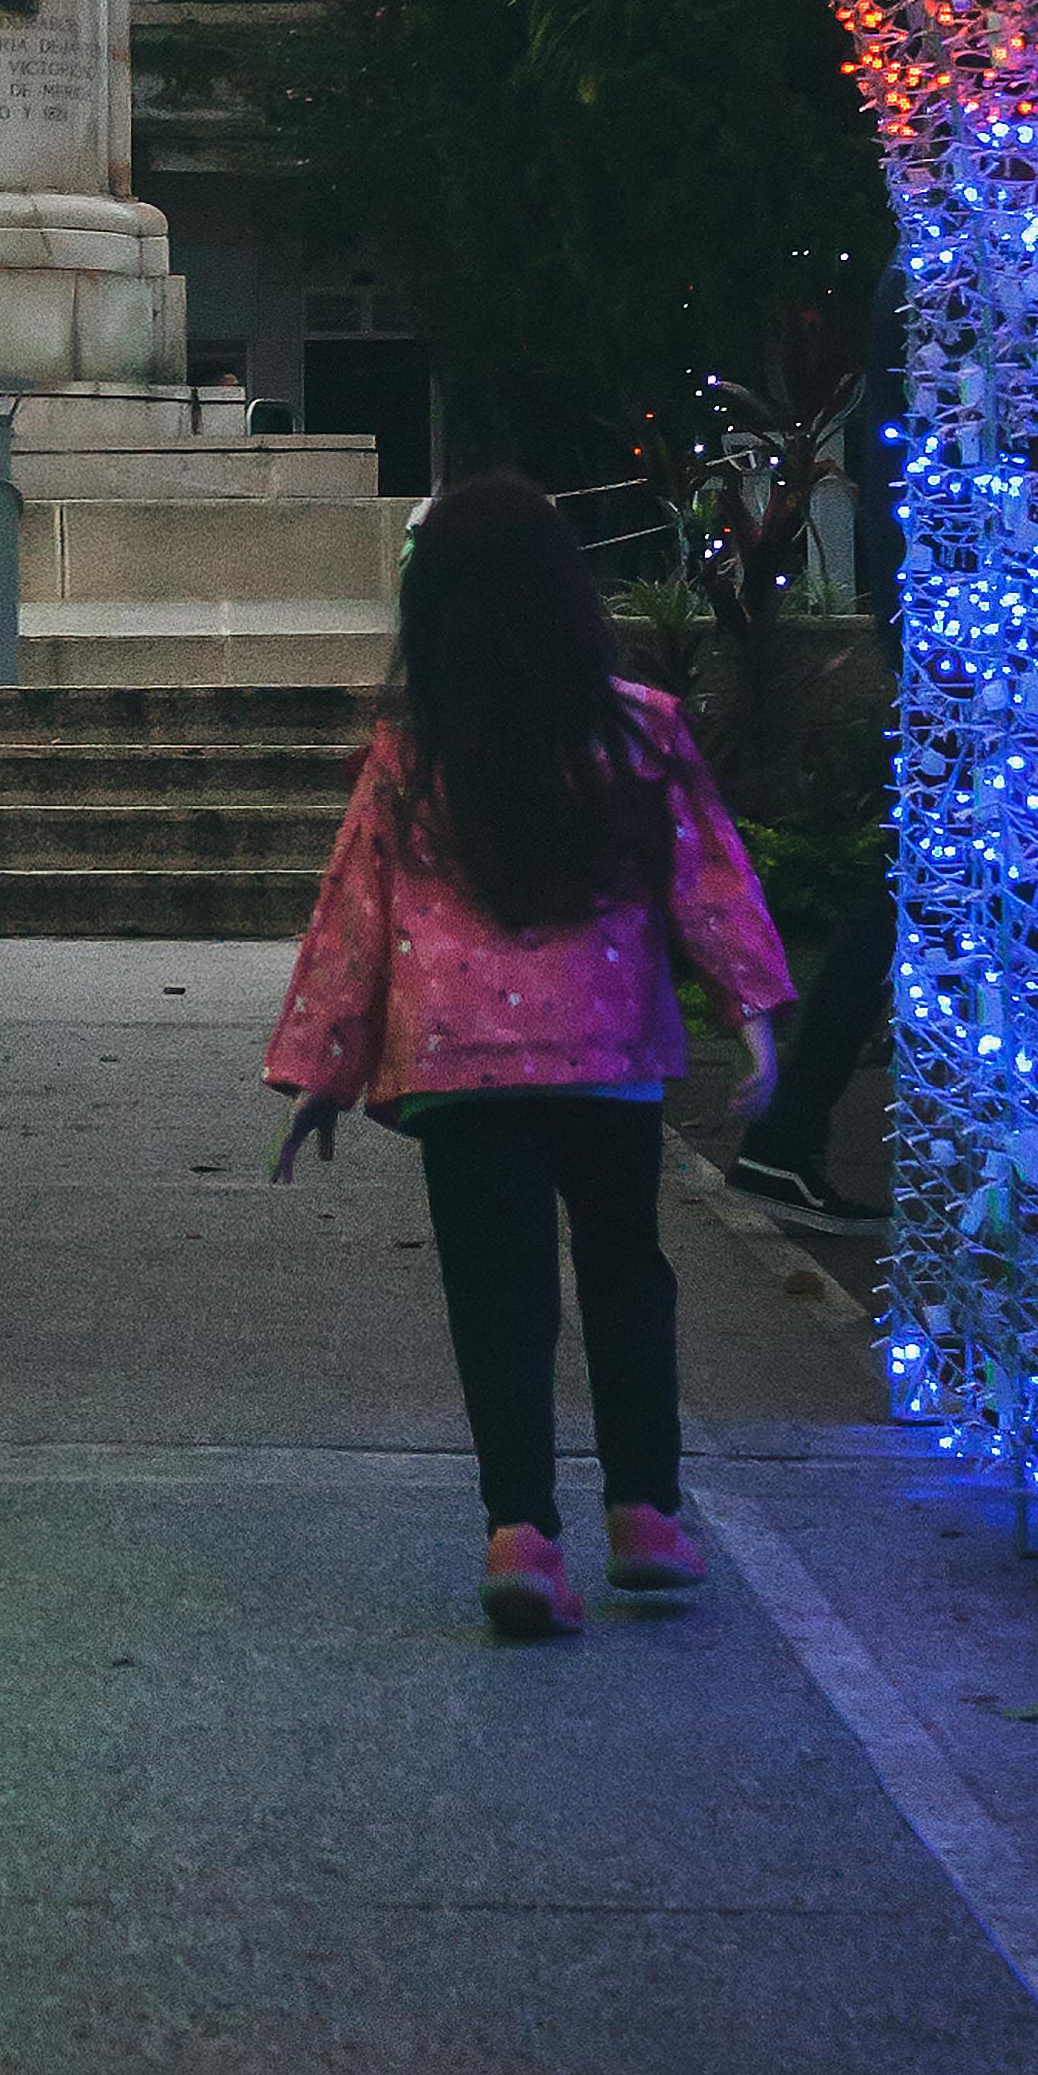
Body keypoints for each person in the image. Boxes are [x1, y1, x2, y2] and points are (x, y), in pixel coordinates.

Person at [270, 470, 791, 1642]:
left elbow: (353, 918)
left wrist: (322, 1068)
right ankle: (646, 1514)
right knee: (625, 1273)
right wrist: (751, 1018)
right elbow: (708, 883)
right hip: (606, 1058)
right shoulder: (639, 728)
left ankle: (520, 1534)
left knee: (496, 1294)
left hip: (458, 1070)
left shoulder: (414, 754)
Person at [726, 251, 908, 1229]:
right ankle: (788, 1131)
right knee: (919, 883)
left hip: (954, 632)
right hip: (978, 644)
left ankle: (790, 1132)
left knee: (918, 883)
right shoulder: (953, 271)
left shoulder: (929, 269)